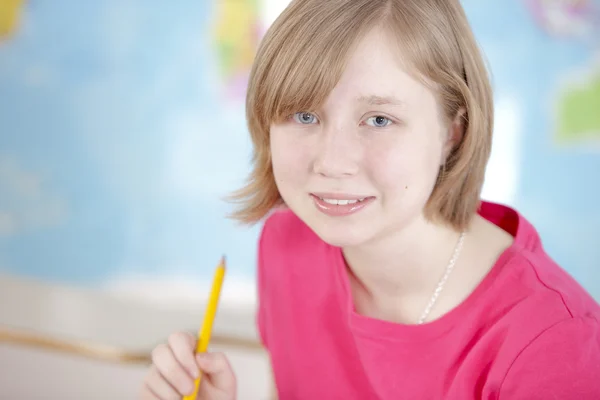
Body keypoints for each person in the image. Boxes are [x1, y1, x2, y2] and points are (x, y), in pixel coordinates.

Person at [139, 0, 600, 398]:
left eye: (379, 119)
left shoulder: (553, 343)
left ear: (452, 133)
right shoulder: (287, 246)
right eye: (304, 114)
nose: (332, 163)